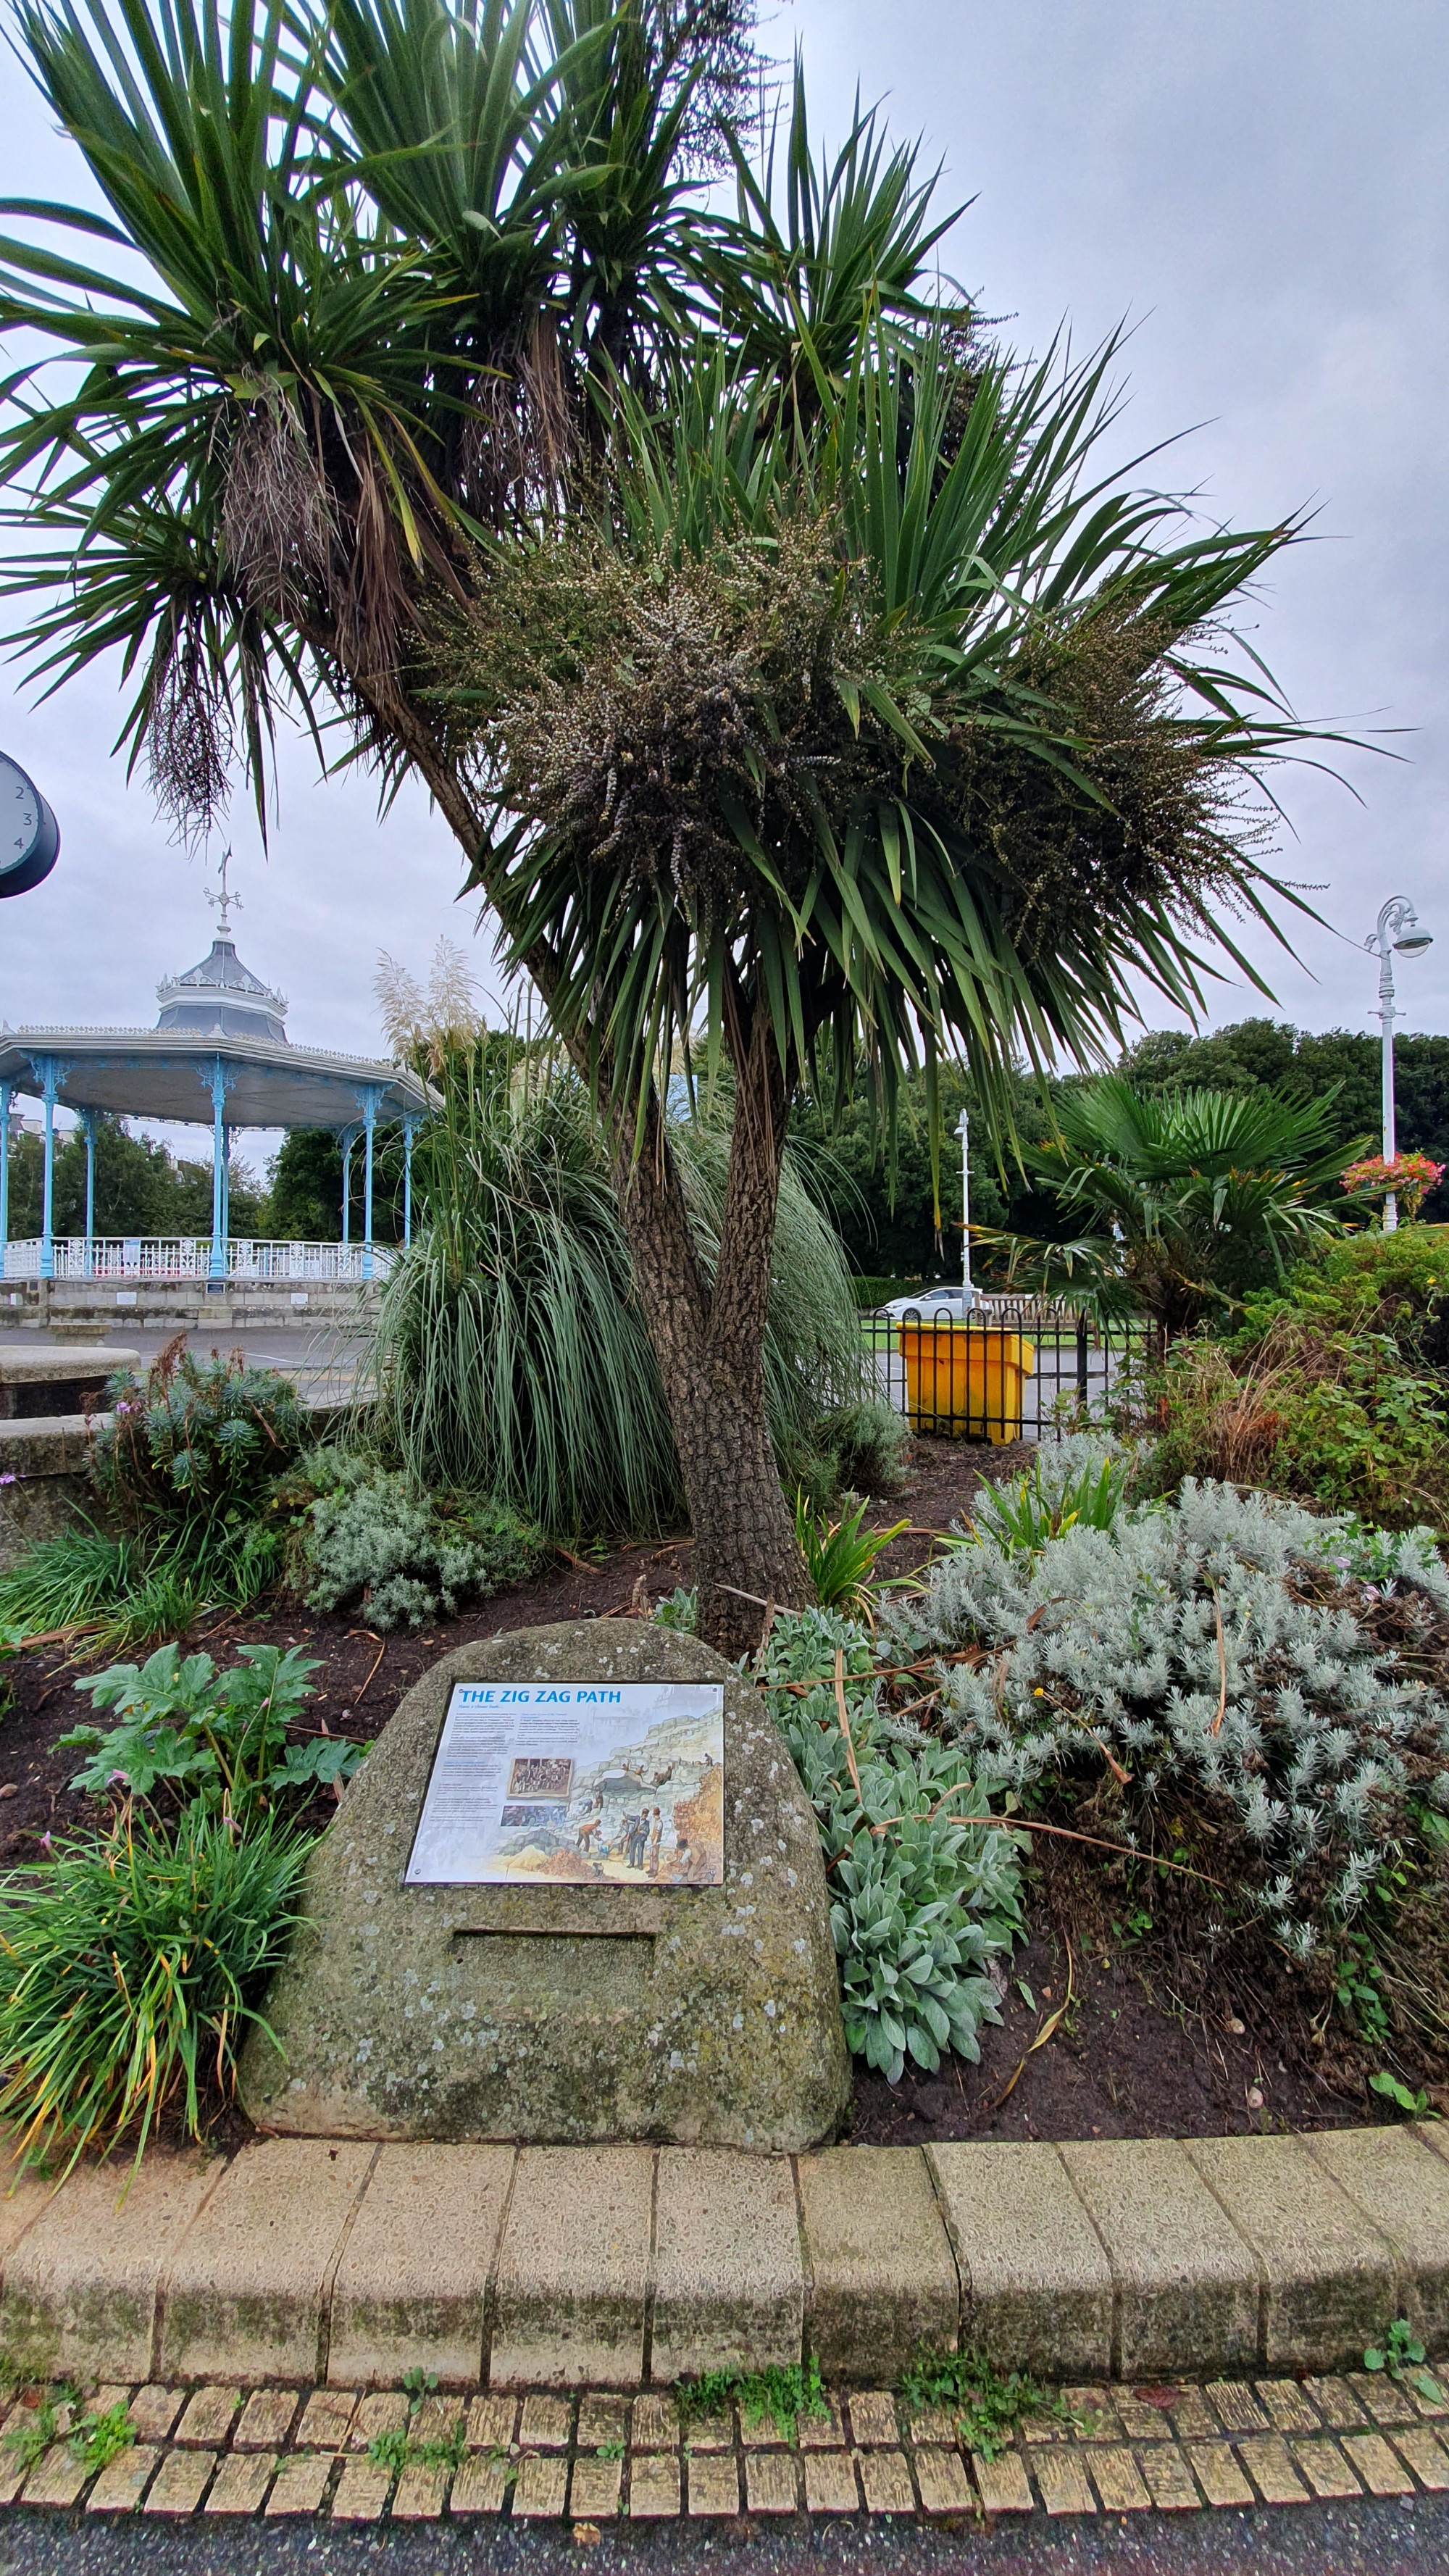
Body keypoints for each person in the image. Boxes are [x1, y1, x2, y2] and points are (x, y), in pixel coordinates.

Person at [646, 1806, 663, 1877]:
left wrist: (655, 1841)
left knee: (655, 1856)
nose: (654, 1816)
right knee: (651, 1855)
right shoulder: (656, 1821)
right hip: (653, 1840)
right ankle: (651, 1868)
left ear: (658, 1815)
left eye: (655, 1815)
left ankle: (655, 1871)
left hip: (656, 1841)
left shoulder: (660, 1823)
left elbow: (658, 1834)